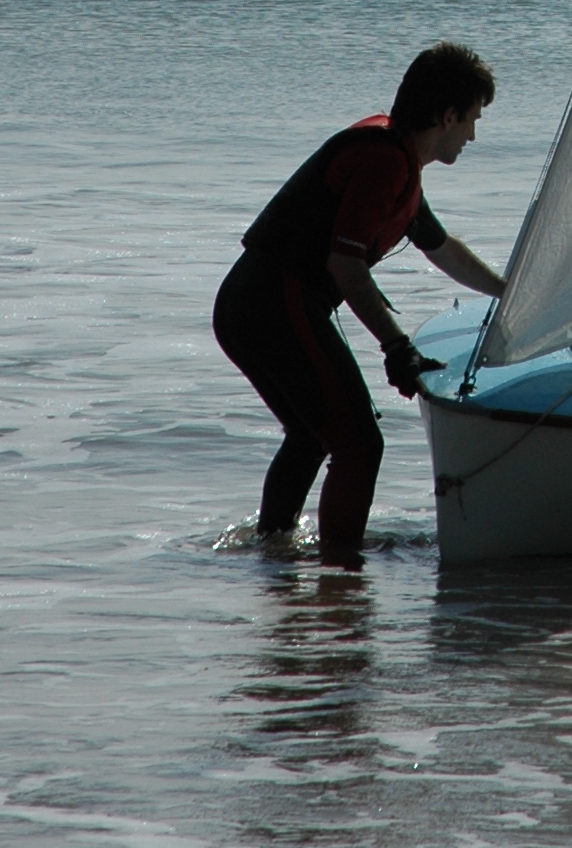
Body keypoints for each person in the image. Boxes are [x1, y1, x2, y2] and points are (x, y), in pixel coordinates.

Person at [213, 42, 507, 563]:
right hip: (271, 302)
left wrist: (509, 291)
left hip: (249, 304)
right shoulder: (383, 160)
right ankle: (341, 575)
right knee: (358, 444)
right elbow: (344, 267)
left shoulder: (397, 158)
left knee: (311, 437)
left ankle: (274, 558)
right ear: (448, 116)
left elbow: (443, 249)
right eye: (472, 120)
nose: (473, 135)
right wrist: (398, 346)